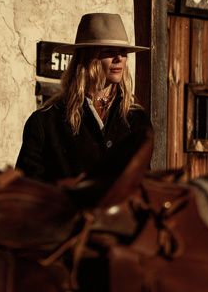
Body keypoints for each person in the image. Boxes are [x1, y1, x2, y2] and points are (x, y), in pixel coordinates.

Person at [16, 12, 153, 183]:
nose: (119, 58)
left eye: (123, 52)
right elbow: (26, 187)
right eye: (109, 51)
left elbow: (144, 183)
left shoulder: (136, 121)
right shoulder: (45, 121)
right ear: (88, 57)